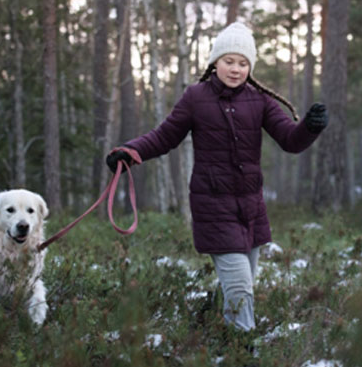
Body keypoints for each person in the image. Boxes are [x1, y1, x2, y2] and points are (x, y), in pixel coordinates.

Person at [106, 22, 328, 334]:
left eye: (242, 63)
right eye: (229, 61)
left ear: (250, 67)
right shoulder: (196, 97)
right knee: (239, 286)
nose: (235, 69)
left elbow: (290, 141)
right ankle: (244, 348)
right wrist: (130, 152)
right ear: (215, 62)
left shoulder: (260, 100)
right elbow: (164, 137)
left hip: (251, 209)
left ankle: (221, 335)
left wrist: (310, 127)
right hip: (213, 207)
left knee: (242, 286)